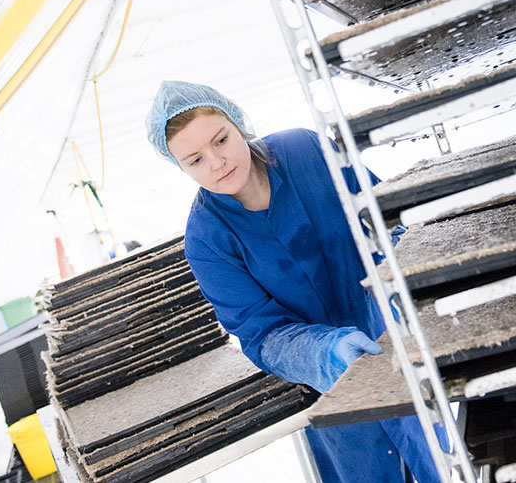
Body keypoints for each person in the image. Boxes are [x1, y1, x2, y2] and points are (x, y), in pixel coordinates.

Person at [145, 81, 445, 482]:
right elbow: (261, 334)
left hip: (407, 349)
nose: (216, 162)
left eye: (221, 140)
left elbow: (388, 216)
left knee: (449, 460)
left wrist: (398, 285)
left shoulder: (308, 151)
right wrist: (324, 353)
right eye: (195, 160)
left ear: (237, 122)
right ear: (179, 167)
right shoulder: (206, 241)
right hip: (338, 397)